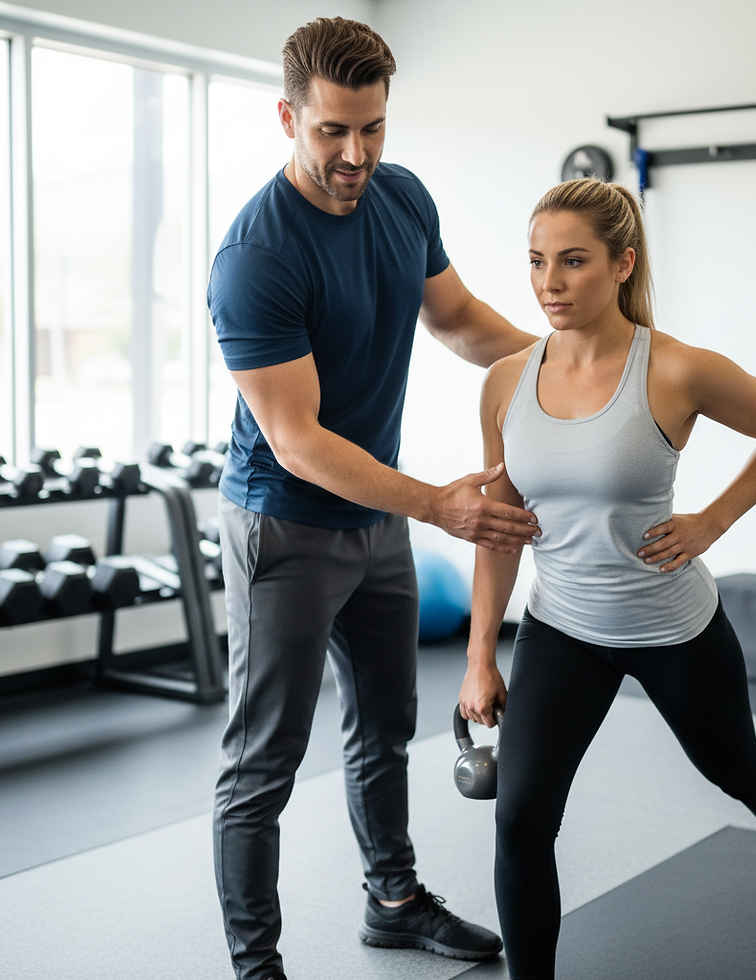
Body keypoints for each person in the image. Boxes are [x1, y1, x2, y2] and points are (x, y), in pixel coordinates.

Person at [206, 17, 541, 980]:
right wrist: (437, 504)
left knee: (387, 725)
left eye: (374, 129)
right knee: (263, 760)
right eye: (332, 133)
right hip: (286, 522)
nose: (355, 155)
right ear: (288, 118)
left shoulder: (401, 197)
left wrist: (571, 361)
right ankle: (255, 964)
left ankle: (392, 901)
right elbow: (298, 440)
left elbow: (461, 319)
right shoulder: (257, 256)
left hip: (379, 523)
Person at [458, 178, 756, 980]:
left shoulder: (673, 369)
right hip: (562, 626)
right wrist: (480, 655)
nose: (548, 283)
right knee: (521, 818)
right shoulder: (506, 381)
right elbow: (501, 530)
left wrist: (714, 520)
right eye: (535, 262)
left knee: (735, 768)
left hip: (672, 626)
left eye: (572, 261)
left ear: (622, 264)